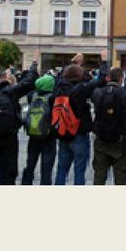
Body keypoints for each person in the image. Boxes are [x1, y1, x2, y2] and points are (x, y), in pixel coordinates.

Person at [51, 56, 102, 185]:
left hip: (63, 132)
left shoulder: (58, 88)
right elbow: (100, 80)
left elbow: (63, 76)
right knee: (79, 170)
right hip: (79, 132)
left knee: (62, 169)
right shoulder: (81, 89)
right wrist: (104, 61)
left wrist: (73, 65)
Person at [90, 65, 126, 185]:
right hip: (120, 142)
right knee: (120, 178)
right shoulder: (124, 94)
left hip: (101, 140)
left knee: (99, 177)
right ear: (121, 79)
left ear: (108, 78)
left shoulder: (98, 92)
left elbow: (93, 97)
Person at [0, 64, 37, 185]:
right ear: (5, 79)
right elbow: (29, 82)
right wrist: (33, 65)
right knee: (9, 171)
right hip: (9, 137)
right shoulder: (8, 90)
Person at [20, 72, 58, 185]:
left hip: (33, 135)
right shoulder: (53, 98)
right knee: (46, 168)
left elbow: (32, 84)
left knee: (30, 164)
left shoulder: (32, 96)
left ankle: (26, 183)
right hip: (48, 137)